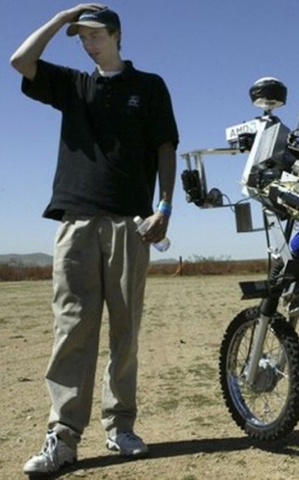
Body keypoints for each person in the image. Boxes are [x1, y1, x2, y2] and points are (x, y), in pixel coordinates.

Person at [10, 4, 179, 475]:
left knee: (125, 333)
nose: (88, 43)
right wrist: (60, 18)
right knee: (72, 331)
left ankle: (120, 426)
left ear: (117, 35)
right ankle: (61, 438)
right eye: (81, 37)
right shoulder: (73, 84)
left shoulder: (149, 86)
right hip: (77, 221)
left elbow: (165, 147)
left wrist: (164, 206)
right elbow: (20, 62)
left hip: (131, 221)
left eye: (95, 35)